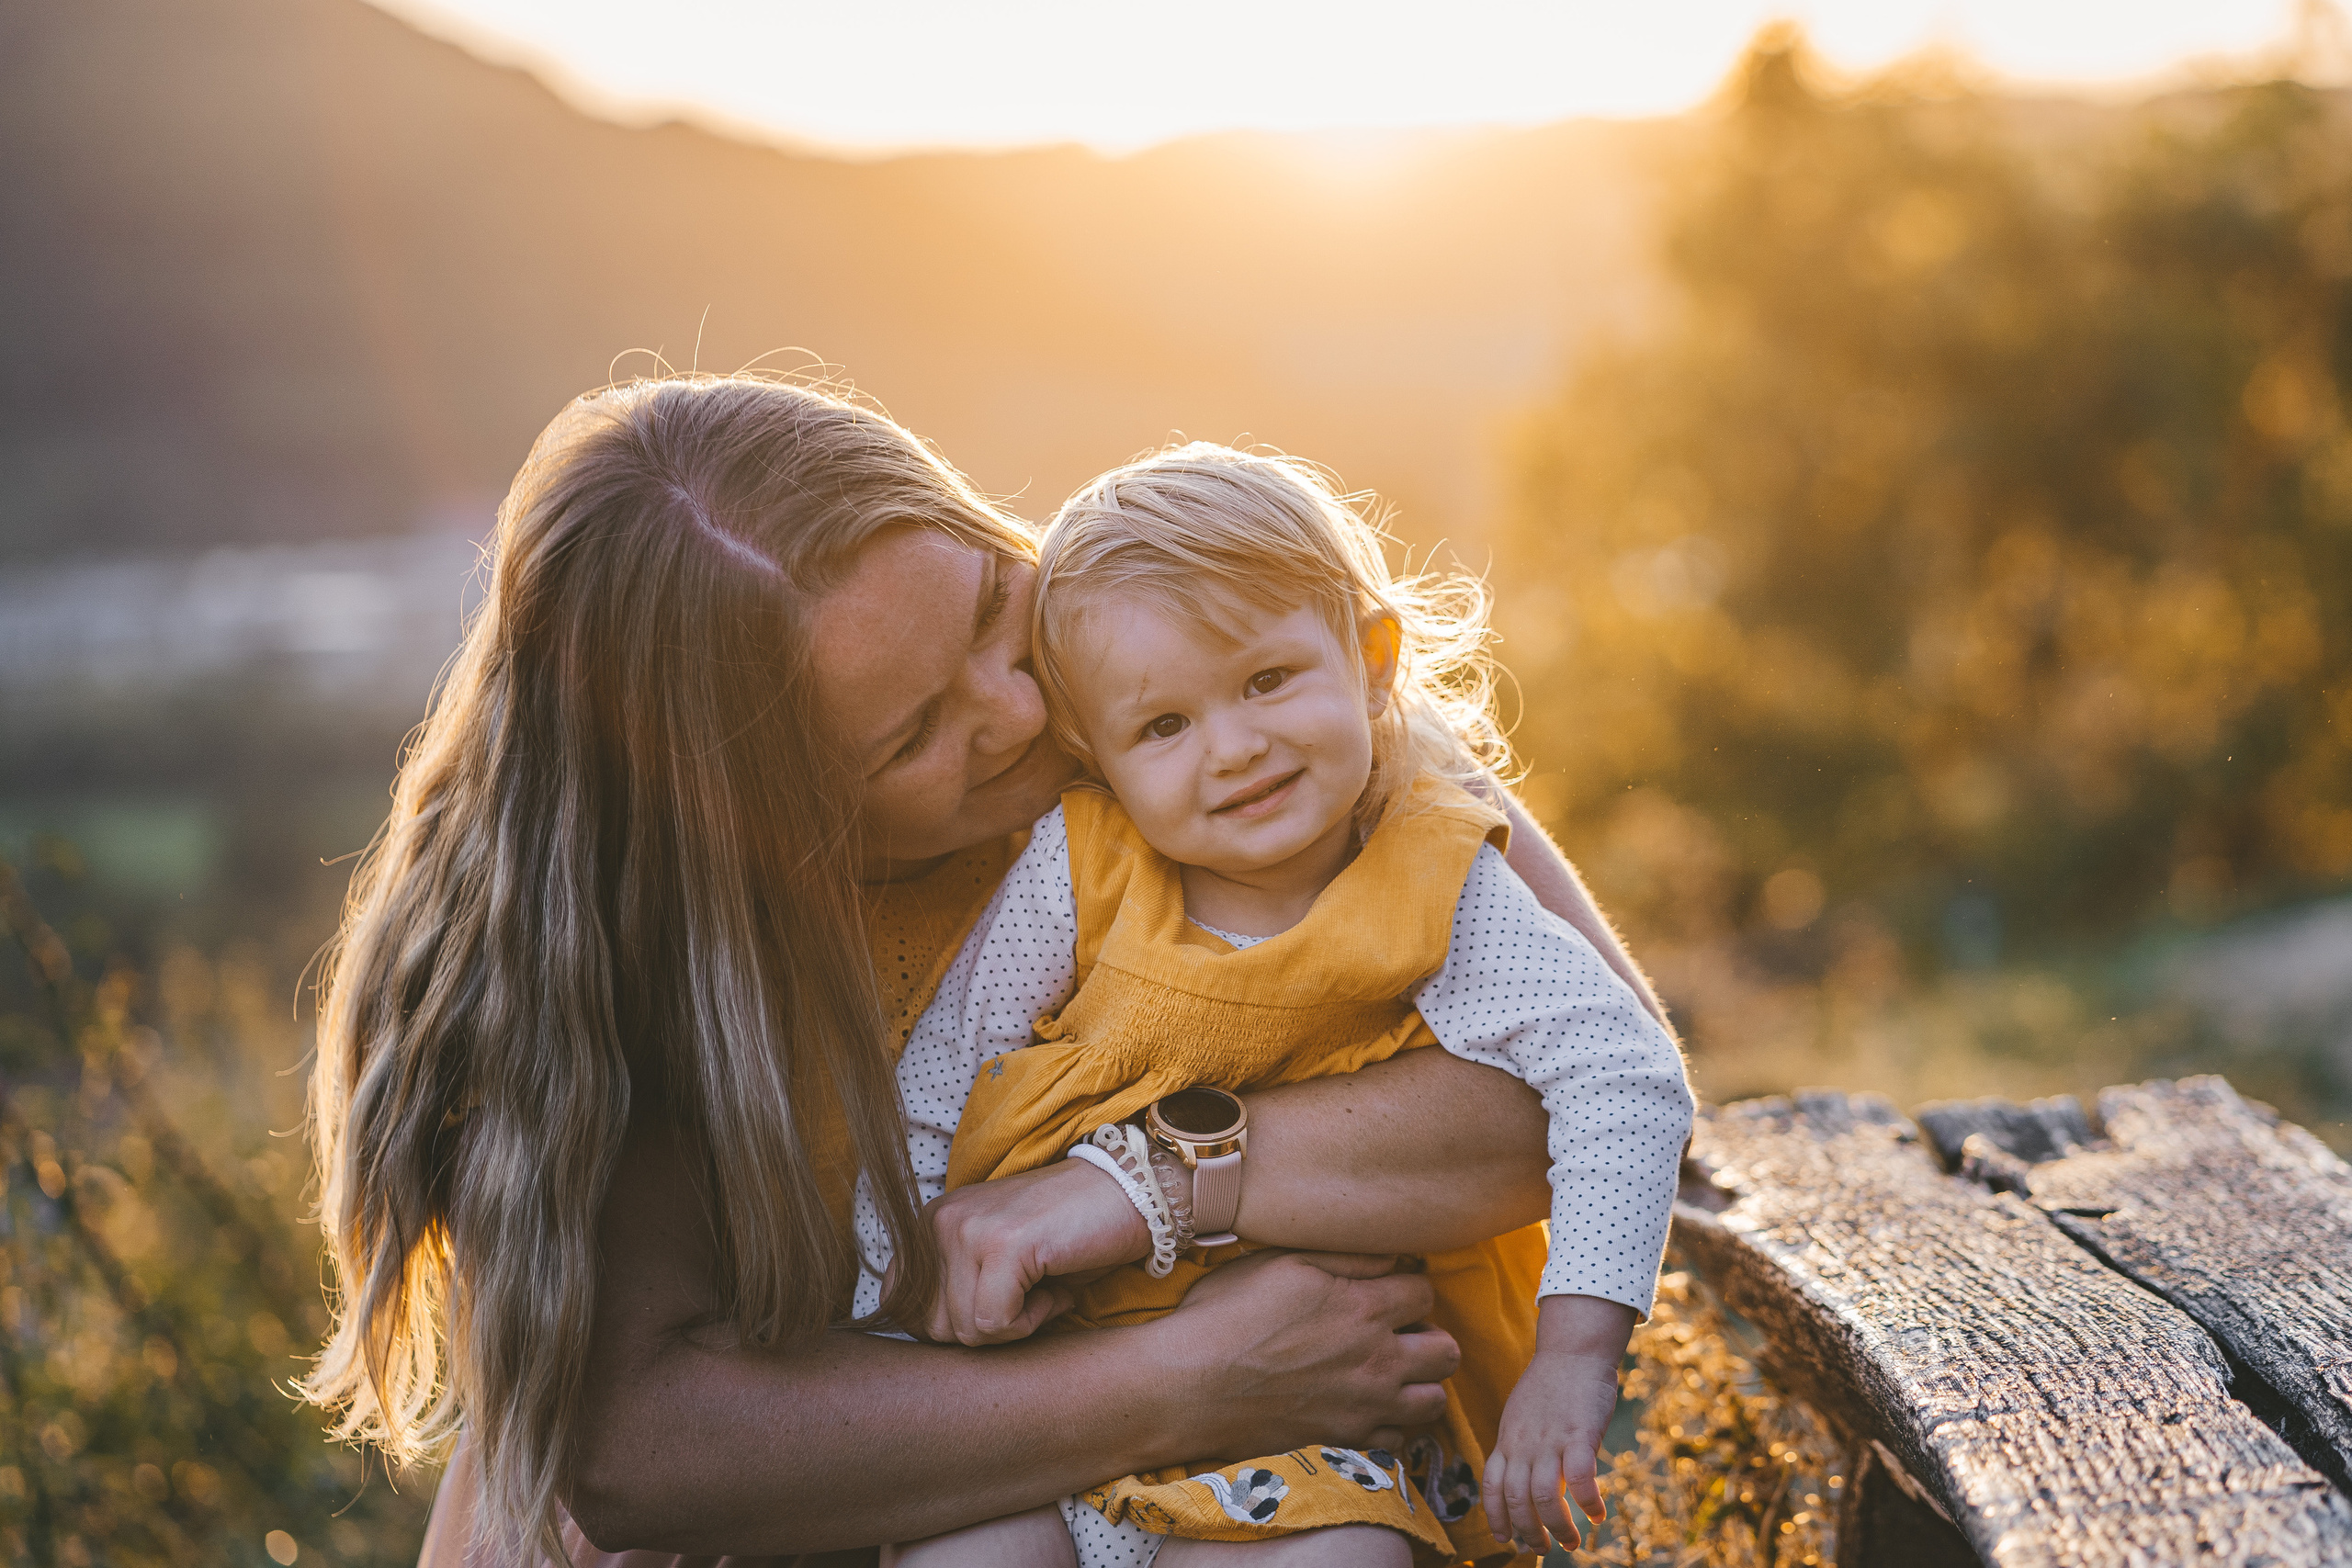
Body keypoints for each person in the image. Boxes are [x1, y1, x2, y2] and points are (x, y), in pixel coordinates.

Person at [300, 375, 1672, 1566]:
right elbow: (639, 1447)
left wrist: (1142, 1183)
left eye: (985, 608)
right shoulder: (634, 963)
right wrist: (1180, 1374)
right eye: (912, 737)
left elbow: (1584, 1081)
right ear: (770, 823)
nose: (1019, 713)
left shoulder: (1206, 696)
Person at [859, 446, 1692, 1566]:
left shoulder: (1429, 877)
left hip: (1312, 1422)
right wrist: (900, 1314)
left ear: (1372, 659)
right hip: (1038, 1386)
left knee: (1329, 1557)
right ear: (1090, 752)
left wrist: (1574, 1360)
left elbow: (1622, 1073)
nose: (1235, 749)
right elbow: (932, 1099)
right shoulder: (1082, 867)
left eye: (1265, 681)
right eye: (1164, 727)